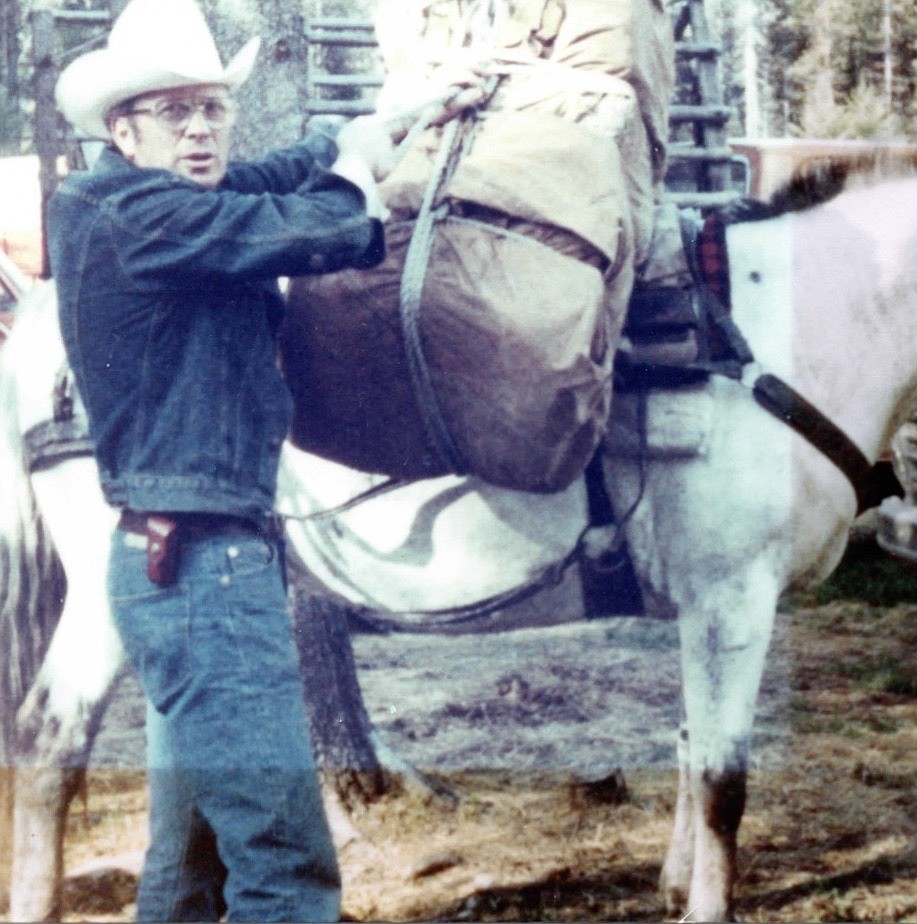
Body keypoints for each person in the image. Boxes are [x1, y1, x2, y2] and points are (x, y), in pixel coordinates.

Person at [47, 0, 481, 919]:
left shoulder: (133, 202)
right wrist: (358, 171)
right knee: (285, 867)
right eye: (174, 112)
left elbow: (261, 178)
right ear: (122, 128)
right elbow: (315, 229)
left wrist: (368, 128)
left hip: (181, 565)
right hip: (206, 574)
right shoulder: (136, 213)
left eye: (211, 107)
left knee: (188, 865)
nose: (200, 127)